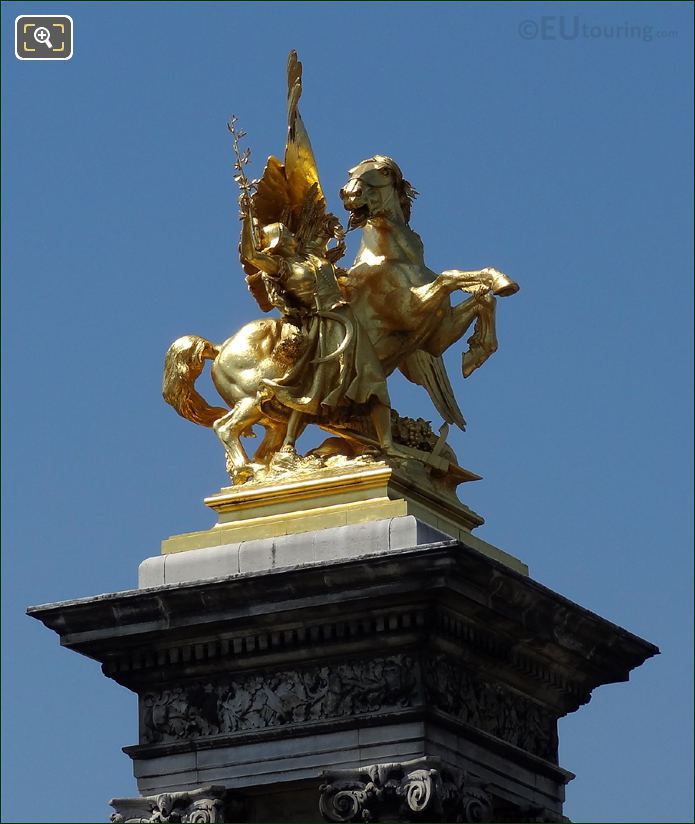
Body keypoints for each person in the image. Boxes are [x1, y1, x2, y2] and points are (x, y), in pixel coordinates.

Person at [240, 213, 392, 454]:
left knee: (374, 379)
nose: (293, 235)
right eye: (286, 233)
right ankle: (289, 443)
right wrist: (247, 219)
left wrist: (336, 230)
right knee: (311, 386)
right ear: (277, 242)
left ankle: (388, 445)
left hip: (348, 322)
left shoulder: (311, 255)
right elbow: (251, 255)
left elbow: (326, 233)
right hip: (322, 327)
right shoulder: (282, 267)